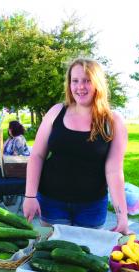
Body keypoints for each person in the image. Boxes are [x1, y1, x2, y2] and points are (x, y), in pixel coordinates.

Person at [23, 57, 130, 235]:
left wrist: (122, 216)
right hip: (51, 202)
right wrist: (30, 195)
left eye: (87, 81)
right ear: (69, 84)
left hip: (92, 207)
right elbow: (37, 156)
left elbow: (114, 170)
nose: (80, 86)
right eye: (75, 81)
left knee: (85, 257)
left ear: (97, 84)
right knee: (51, 255)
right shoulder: (56, 112)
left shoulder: (113, 121)